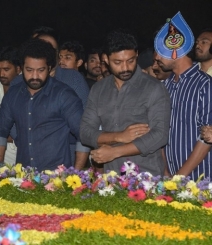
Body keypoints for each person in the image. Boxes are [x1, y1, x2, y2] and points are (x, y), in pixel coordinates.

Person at [80, 29, 171, 175]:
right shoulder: (98, 89)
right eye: (118, 62)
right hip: (111, 177)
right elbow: (85, 133)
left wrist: (116, 151)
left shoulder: (154, 88)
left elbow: (160, 135)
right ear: (106, 59)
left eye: (131, 60)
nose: (125, 67)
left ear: (136, 55)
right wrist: (118, 136)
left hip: (146, 176)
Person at [0, 38, 84, 171]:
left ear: (50, 68)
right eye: (29, 70)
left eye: (41, 70)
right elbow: (0, 131)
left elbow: (83, 134)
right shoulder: (13, 94)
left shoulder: (64, 95)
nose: (34, 76)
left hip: (57, 178)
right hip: (24, 176)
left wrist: (77, 173)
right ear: (21, 68)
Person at [10, 26, 90, 170]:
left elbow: (84, 122)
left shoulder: (73, 79)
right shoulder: (18, 82)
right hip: (27, 154)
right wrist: (27, 139)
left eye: (50, 48)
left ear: (57, 54)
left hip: (67, 153)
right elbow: (10, 119)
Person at [154, 12, 212, 180]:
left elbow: (206, 139)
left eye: (159, 51)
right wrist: (166, 172)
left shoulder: (205, 85)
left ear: (175, 51)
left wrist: (179, 177)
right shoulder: (165, 86)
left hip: (200, 180)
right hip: (169, 176)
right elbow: (161, 131)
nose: (156, 57)